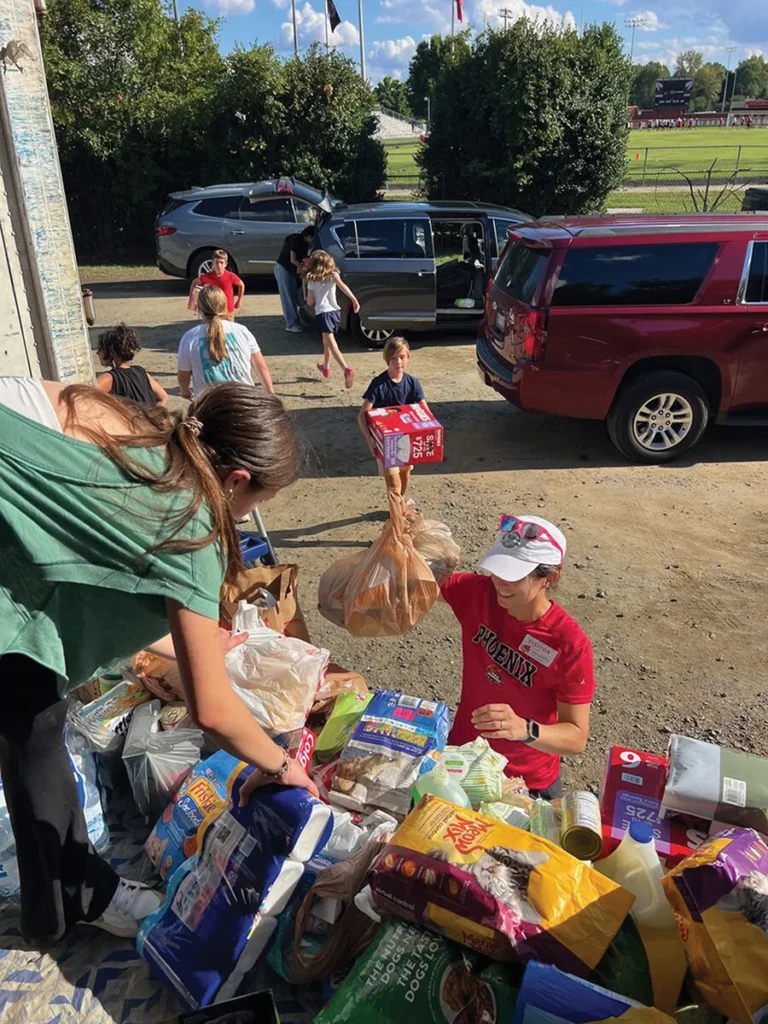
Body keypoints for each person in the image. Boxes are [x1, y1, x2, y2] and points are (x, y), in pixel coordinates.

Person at [0, 375, 316, 944]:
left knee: (33, 722)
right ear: (236, 479)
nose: (245, 516)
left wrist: (203, 644)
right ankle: (70, 900)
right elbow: (213, 711)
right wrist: (282, 766)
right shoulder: (193, 525)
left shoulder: (151, 431)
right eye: (254, 504)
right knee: (31, 720)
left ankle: (63, 902)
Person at [439, 514, 595, 799]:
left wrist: (523, 729)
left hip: (525, 781)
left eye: (514, 576)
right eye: (497, 570)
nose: (500, 584)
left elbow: (576, 737)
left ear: (549, 578)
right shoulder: (479, 593)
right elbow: (423, 580)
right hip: (463, 758)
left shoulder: (569, 644)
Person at [357, 336, 424, 498]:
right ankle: (396, 515)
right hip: (386, 443)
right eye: (393, 358)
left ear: (408, 357)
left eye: (402, 357)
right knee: (394, 484)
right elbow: (362, 415)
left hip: (407, 440)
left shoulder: (413, 383)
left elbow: (424, 412)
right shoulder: (379, 384)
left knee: (405, 476)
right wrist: (370, 439)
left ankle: (398, 508)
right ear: (387, 359)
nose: (398, 363)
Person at [177, 285, 274, 398]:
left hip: (209, 404)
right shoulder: (242, 331)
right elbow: (261, 367)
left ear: (199, 307)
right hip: (245, 401)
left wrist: (186, 392)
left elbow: (183, 377)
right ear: (225, 305)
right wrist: (271, 394)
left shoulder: (190, 338)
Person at [304, 250, 359, 388]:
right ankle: (326, 366)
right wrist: (354, 299)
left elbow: (310, 301)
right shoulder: (333, 275)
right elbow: (343, 287)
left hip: (323, 314)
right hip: (335, 312)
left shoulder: (312, 279)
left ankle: (346, 369)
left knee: (332, 344)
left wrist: (308, 297)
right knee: (326, 341)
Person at [95, 323, 169, 407]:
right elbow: (163, 397)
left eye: (100, 349)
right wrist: (153, 416)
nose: (97, 353)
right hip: (148, 419)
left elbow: (86, 397)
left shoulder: (110, 378)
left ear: (111, 352)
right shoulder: (141, 372)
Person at [274, 226, 315, 333]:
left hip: (290, 270)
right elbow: (293, 259)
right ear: (308, 236)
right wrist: (303, 269)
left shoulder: (305, 244)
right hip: (283, 268)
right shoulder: (295, 239)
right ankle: (291, 324)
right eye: (312, 238)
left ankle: (296, 320)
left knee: (293, 295)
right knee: (287, 297)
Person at [188, 250, 244, 319]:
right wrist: (192, 299)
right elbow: (194, 283)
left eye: (221, 262)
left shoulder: (230, 276)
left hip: (228, 311)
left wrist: (239, 300)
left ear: (225, 264)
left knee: (229, 329)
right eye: (216, 262)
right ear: (213, 263)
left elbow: (241, 285)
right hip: (213, 312)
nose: (219, 265)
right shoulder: (208, 276)